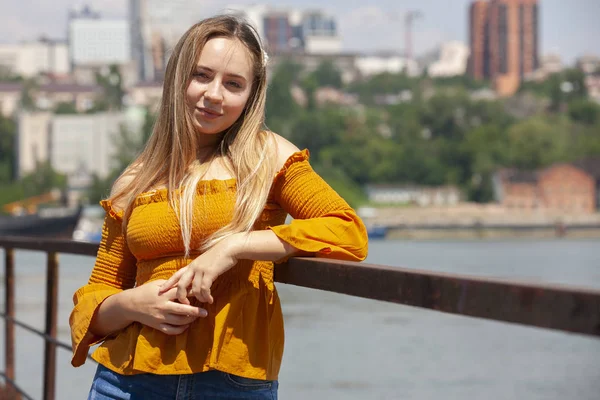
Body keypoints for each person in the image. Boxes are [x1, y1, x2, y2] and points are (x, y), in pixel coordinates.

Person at [69, 14, 368, 399]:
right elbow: (97, 295)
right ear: (178, 78)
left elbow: (347, 232)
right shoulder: (134, 180)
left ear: (250, 96)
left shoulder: (267, 157)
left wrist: (234, 246)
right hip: (125, 382)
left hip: (231, 383)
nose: (214, 94)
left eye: (233, 84)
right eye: (201, 75)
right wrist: (132, 304)